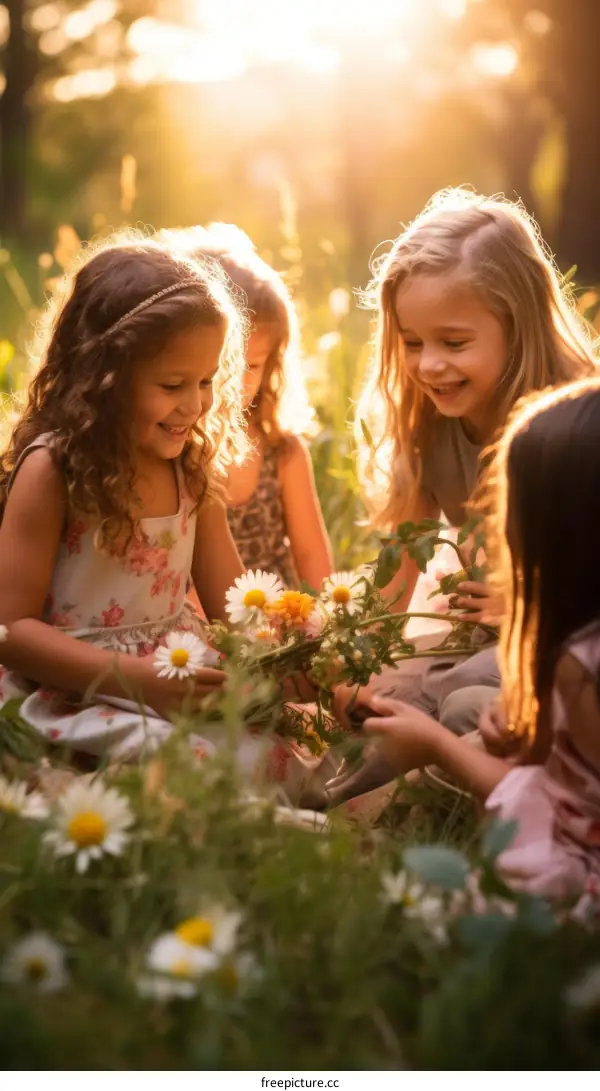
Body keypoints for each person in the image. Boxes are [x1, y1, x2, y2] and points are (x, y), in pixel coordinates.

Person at [0, 233, 329, 802]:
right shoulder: (53, 470)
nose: (196, 405)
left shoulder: (193, 469)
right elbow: (12, 631)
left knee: (271, 755)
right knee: (190, 772)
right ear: (103, 377)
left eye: (205, 382)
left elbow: (233, 596)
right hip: (75, 688)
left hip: (178, 674)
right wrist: (141, 681)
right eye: (172, 385)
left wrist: (290, 645)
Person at [331, 187, 597, 789]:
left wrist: (524, 606)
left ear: (519, 324)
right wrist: (362, 662)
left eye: (454, 343)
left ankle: (451, 786)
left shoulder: (577, 421)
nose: (428, 366)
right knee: (392, 696)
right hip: (477, 639)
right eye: (412, 342)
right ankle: (338, 806)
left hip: (566, 643)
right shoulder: (428, 421)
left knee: (461, 702)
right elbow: (400, 568)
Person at [364, 380, 600, 901]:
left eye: (506, 506)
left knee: (423, 902)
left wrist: (437, 747)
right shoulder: (577, 636)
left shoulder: (579, 665)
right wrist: (522, 732)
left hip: (575, 881)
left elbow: (550, 802)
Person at [162, 224, 333, 590]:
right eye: (222, 366)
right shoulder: (167, 452)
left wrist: (329, 629)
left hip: (276, 624)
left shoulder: (281, 453)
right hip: (193, 634)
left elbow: (311, 556)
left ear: (272, 366)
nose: (231, 383)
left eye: (251, 366)